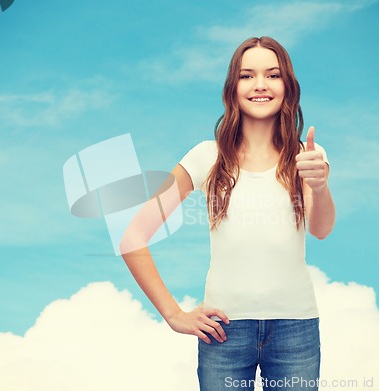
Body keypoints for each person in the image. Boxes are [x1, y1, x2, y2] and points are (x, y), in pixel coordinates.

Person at [120, 36, 335, 391]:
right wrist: (174, 314)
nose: (261, 85)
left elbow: (321, 229)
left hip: (295, 327)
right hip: (224, 331)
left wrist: (321, 184)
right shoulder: (207, 156)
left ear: (288, 86)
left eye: (273, 75)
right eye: (247, 75)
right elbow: (133, 237)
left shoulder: (307, 155)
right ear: (232, 88)